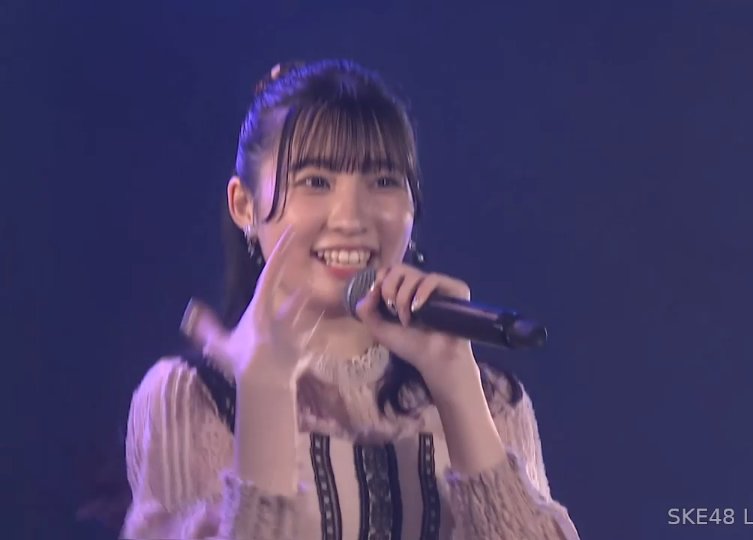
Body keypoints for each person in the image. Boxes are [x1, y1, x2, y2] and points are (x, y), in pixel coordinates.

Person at [120, 59, 579, 540]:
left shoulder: (494, 398)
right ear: (244, 206)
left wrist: (458, 388)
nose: (351, 218)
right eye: (316, 181)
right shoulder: (190, 396)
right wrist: (265, 397)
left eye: (383, 181)